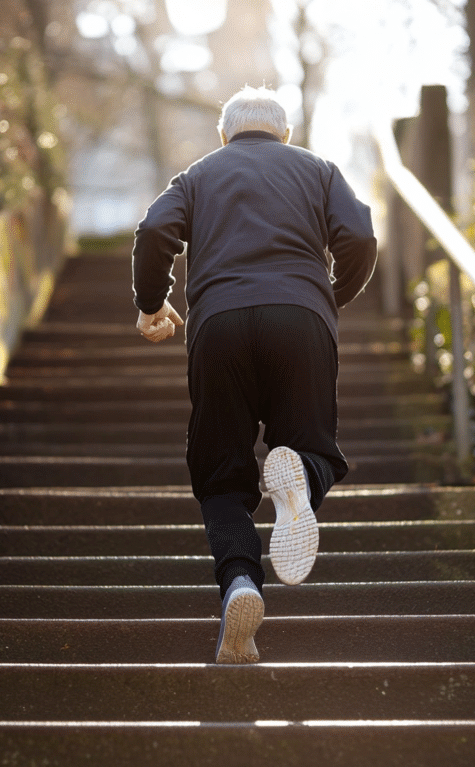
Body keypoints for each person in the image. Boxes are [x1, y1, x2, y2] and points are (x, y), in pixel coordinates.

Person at [130, 86, 377, 664]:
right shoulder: (317, 170)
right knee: (315, 447)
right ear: (285, 134)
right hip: (301, 321)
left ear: (225, 136)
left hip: (217, 325)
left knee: (220, 476)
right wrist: (326, 299)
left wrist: (150, 304)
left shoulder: (198, 174)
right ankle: (301, 486)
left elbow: (153, 233)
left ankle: (240, 584)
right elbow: (361, 237)